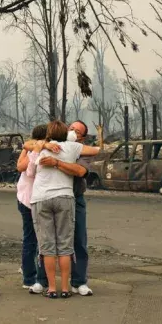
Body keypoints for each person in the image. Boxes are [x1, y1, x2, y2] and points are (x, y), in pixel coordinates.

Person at [24, 120, 100, 296]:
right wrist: (45, 144)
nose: (73, 131)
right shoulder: (57, 146)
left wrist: (56, 162)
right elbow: (28, 143)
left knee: (76, 241)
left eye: (77, 131)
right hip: (63, 198)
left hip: (73, 197)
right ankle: (46, 282)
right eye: (71, 128)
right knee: (51, 245)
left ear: (82, 137)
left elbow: (80, 171)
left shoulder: (79, 150)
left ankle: (77, 282)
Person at [16, 124, 48, 290]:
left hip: (31, 197)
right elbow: (21, 166)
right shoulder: (35, 149)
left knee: (36, 240)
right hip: (29, 199)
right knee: (32, 240)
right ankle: (29, 278)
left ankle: (35, 274)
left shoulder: (33, 148)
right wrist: (31, 149)